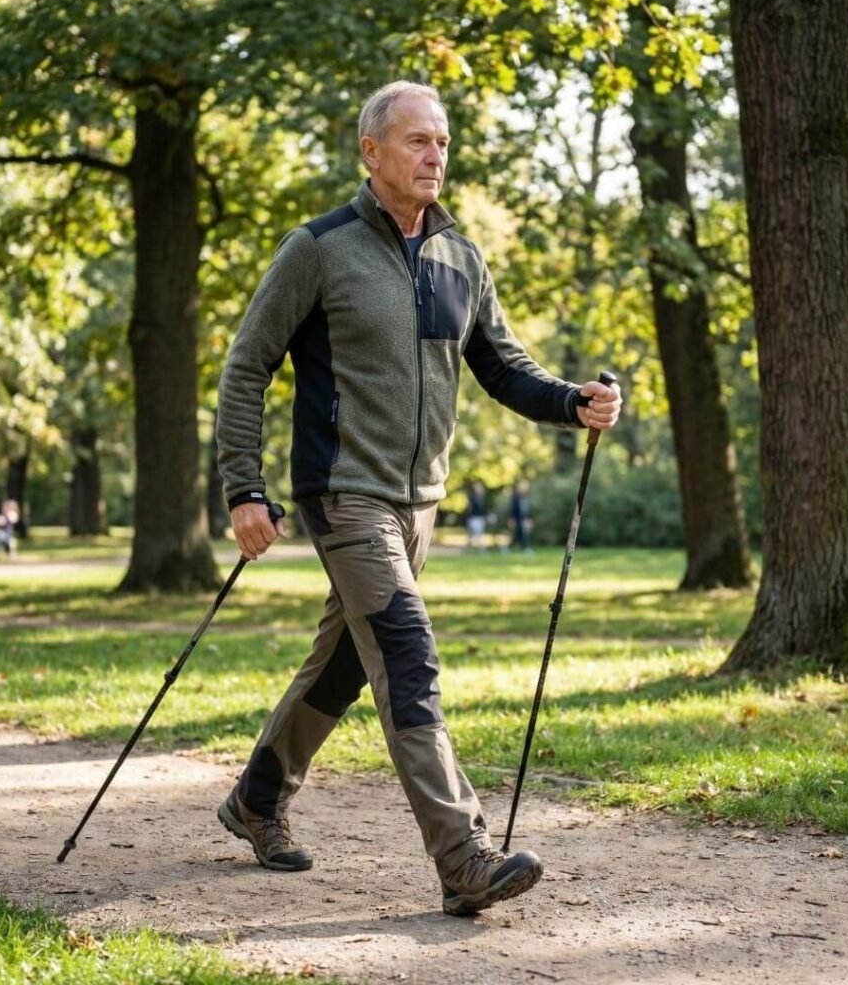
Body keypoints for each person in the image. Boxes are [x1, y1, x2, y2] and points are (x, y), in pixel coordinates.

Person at [215, 80, 622, 916]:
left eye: (441, 141)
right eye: (416, 141)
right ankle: (462, 856)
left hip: (420, 504)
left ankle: (256, 799)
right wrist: (243, 487)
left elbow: (503, 367)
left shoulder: (460, 257)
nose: (434, 155)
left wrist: (572, 400)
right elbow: (246, 364)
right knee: (408, 656)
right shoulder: (318, 249)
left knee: (342, 668)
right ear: (371, 151)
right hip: (345, 494)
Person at [508, 479, 534, 553]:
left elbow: (530, 509)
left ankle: (525, 548)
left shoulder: (527, 497)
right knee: (518, 534)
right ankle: (517, 547)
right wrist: (512, 519)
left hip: (526, 518)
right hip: (518, 519)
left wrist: (531, 519)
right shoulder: (515, 498)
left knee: (525, 534)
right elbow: (512, 509)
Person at [465, 480, 488, 550]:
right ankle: (480, 549)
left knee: (477, 535)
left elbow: (484, 509)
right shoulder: (472, 498)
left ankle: (473, 549)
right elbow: (470, 509)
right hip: (474, 518)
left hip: (481, 518)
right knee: (474, 534)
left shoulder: (482, 498)